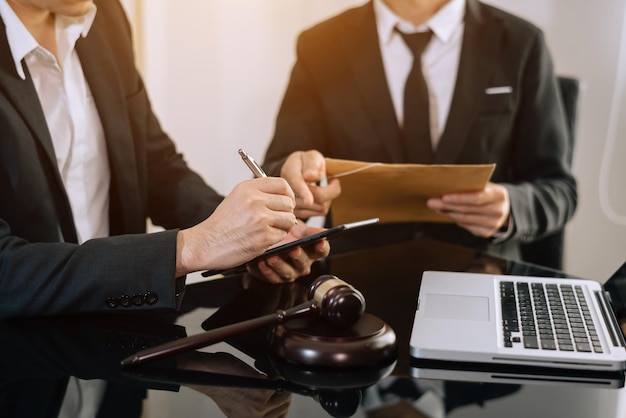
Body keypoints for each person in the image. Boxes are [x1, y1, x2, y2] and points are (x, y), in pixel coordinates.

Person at [0, 0, 330, 320]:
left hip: (120, 335)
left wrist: (248, 237)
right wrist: (190, 248)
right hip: (23, 356)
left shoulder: (105, 16)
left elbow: (154, 165)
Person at [262, 0, 578, 266]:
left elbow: (559, 189)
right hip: (358, 278)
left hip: (479, 273)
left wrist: (511, 207)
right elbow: (279, 165)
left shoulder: (520, 42)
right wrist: (293, 182)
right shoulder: (320, 45)